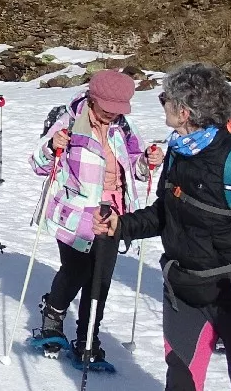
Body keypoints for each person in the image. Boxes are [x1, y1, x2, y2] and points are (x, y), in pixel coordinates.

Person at [97, 63, 231, 391]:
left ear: (183, 112)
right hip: (183, 292)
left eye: (165, 97)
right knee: (180, 384)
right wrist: (121, 225)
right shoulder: (178, 153)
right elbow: (166, 212)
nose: (162, 102)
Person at [29, 70, 158, 365]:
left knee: (100, 279)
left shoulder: (123, 127)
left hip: (112, 214)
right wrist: (52, 147)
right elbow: (37, 163)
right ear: (92, 99)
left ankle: (89, 336)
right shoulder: (69, 122)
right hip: (74, 214)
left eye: (118, 110)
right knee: (76, 271)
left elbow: (136, 166)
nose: (112, 115)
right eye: (107, 109)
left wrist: (147, 161)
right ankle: (53, 314)